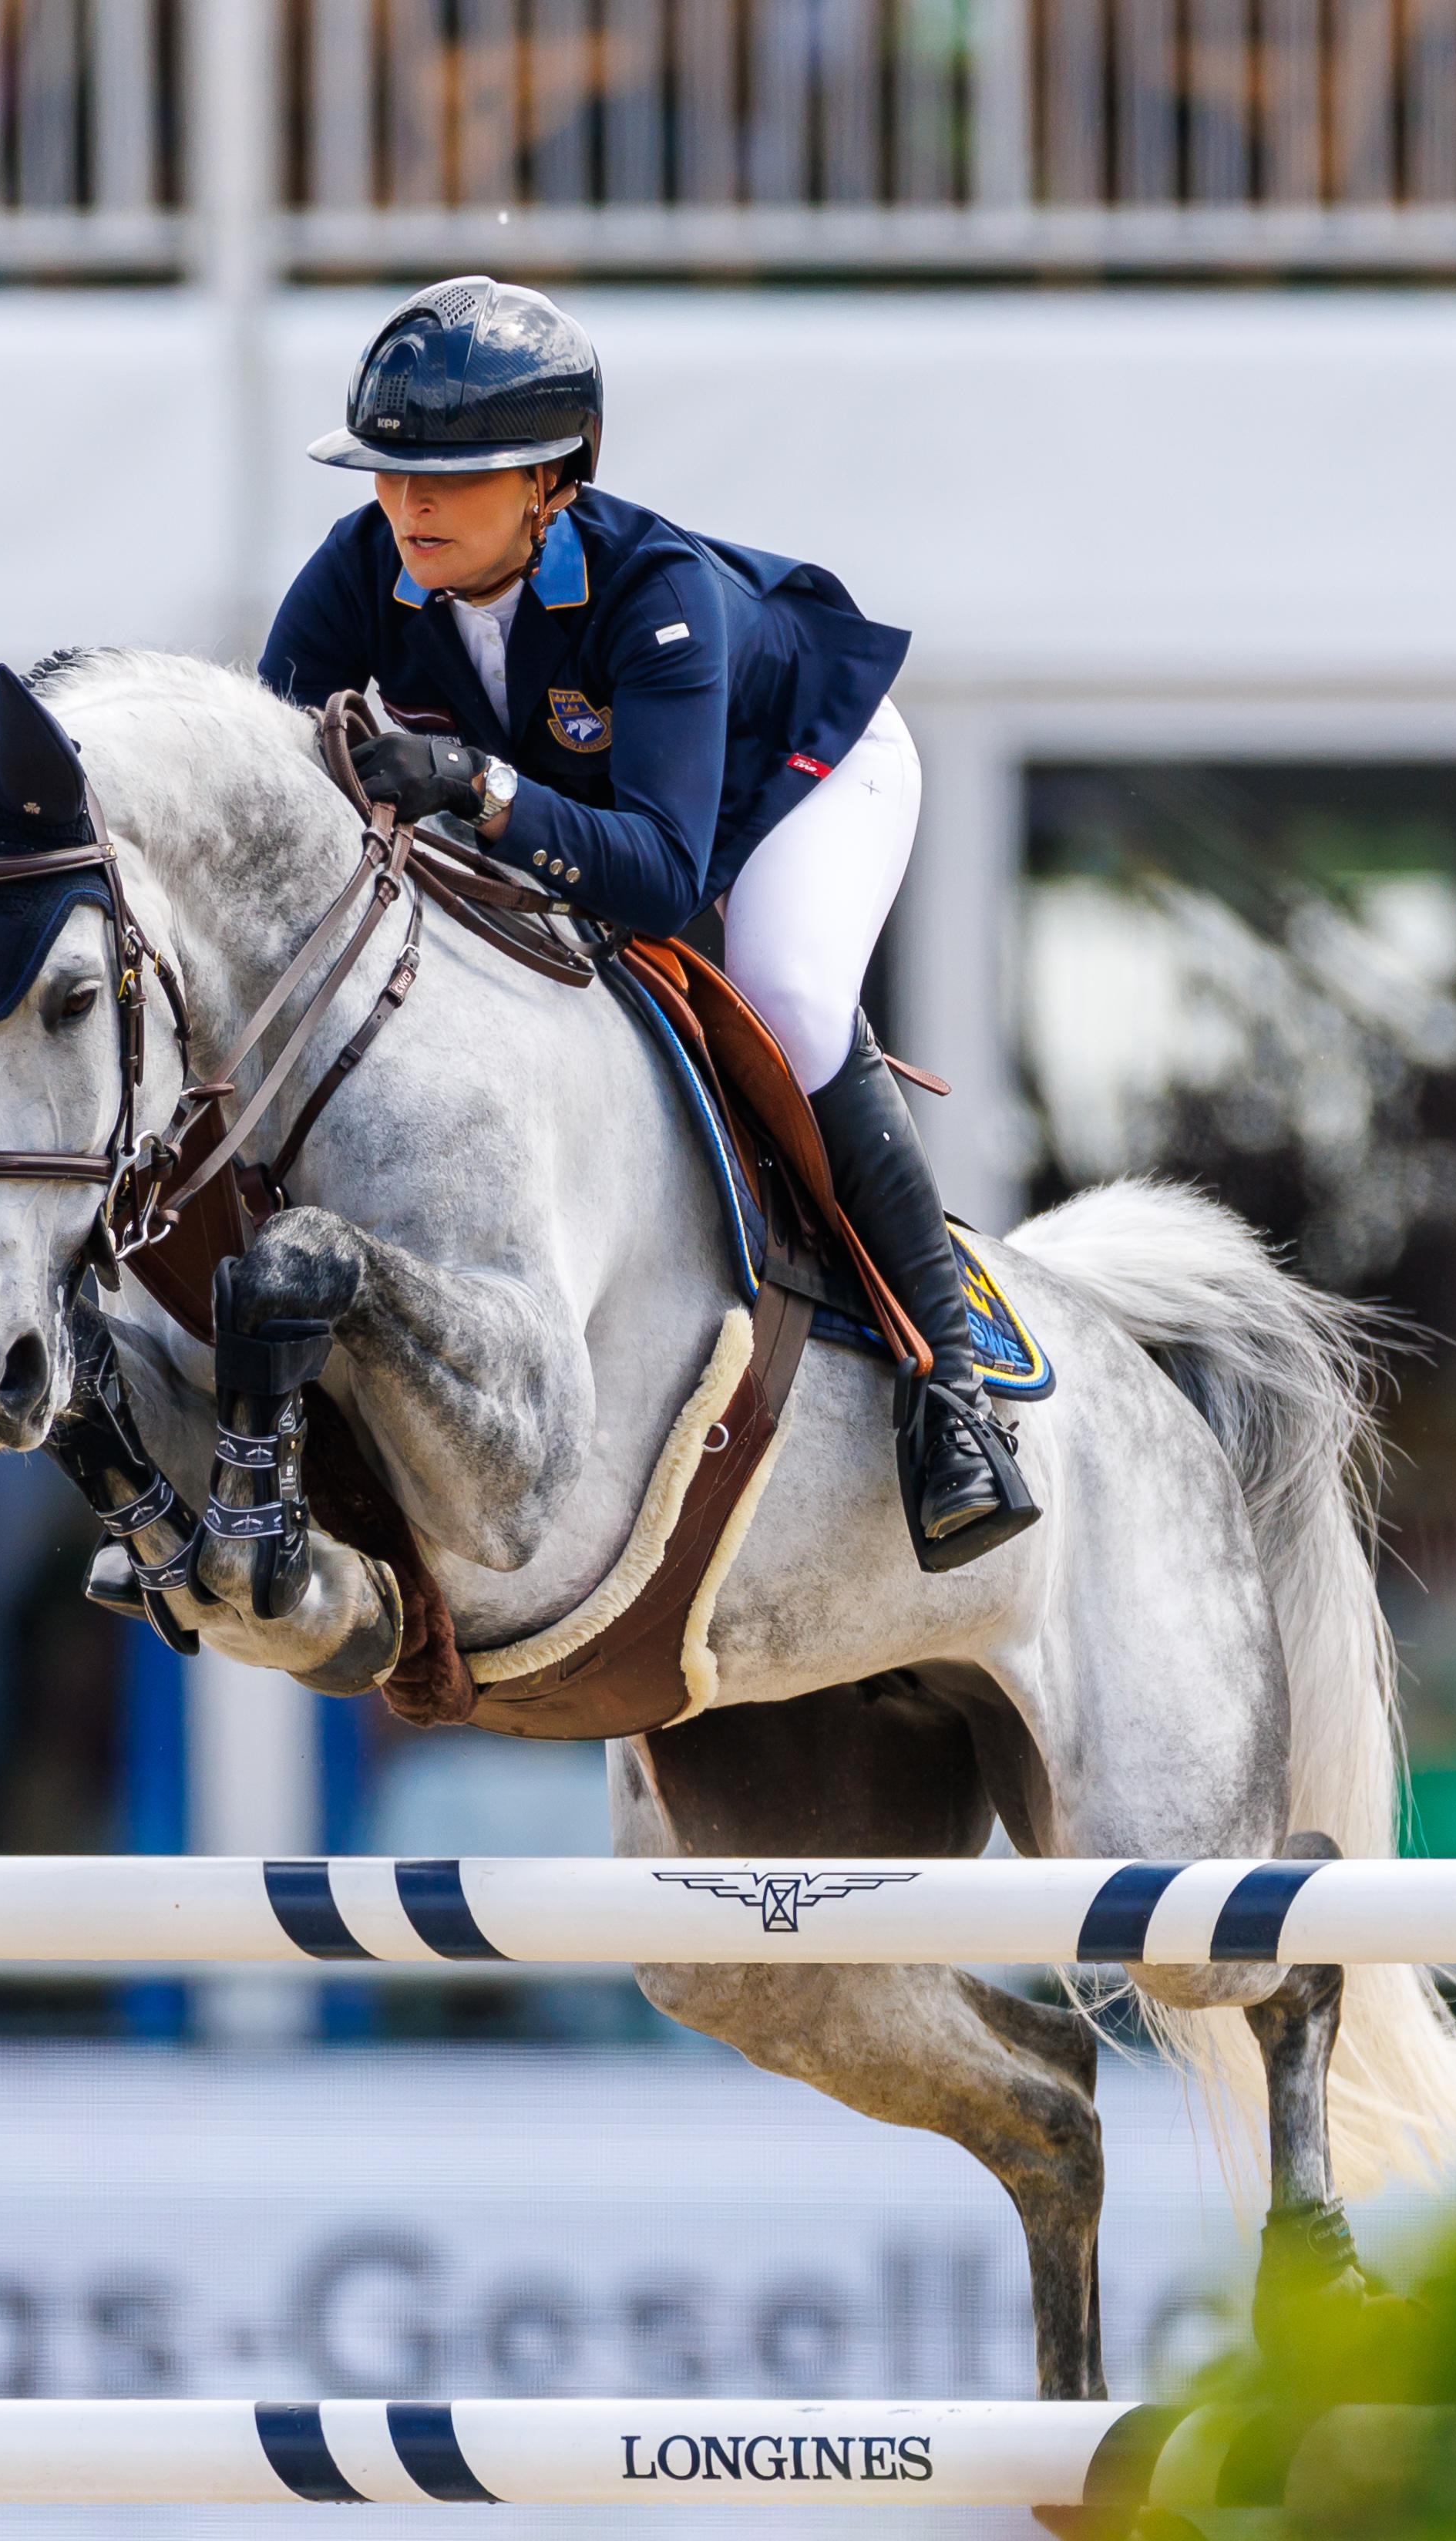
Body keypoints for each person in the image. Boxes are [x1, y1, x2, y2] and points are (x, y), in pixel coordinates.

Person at [257, 277, 1036, 1572]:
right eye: (392, 475)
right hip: (611, 821)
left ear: (553, 479)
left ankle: (952, 1390)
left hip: (802, 779)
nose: (408, 507)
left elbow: (666, 877)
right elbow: (271, 771)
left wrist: (480, 788)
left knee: (783, 993)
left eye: (451, 477)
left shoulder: (651, 590)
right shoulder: (360, 570)